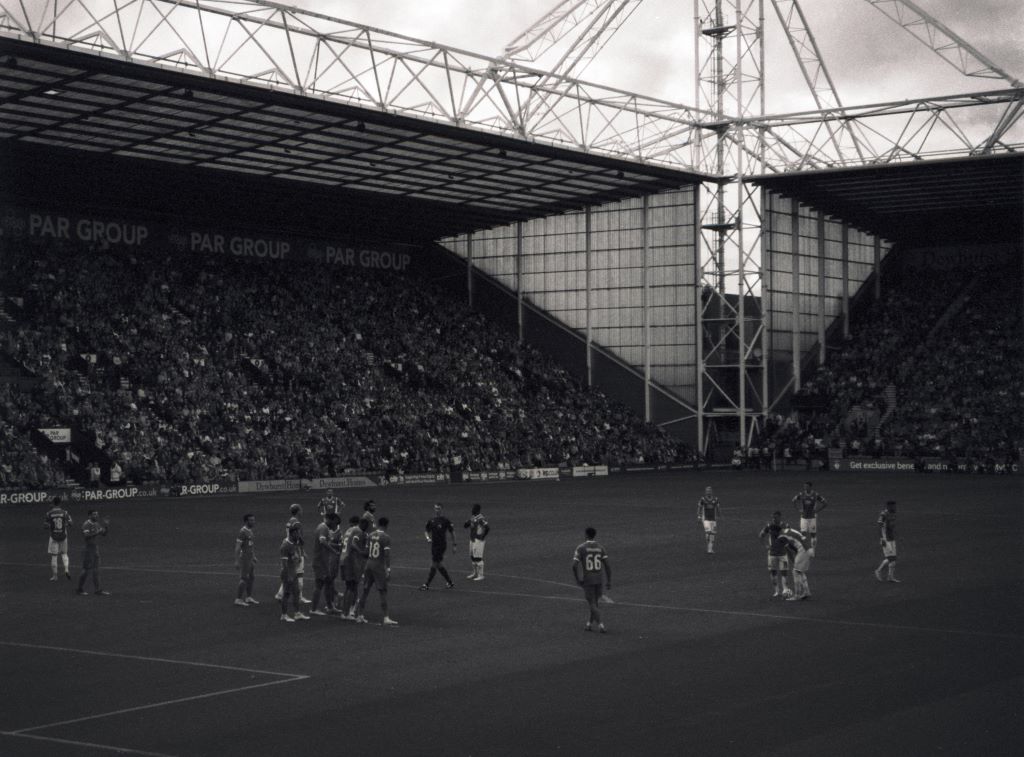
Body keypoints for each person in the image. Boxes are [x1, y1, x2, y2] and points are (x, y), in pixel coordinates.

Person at [355, 517, 397, 626]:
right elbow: (386, 555)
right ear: (387, 525)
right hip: (378, 567)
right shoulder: (386, 537)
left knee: (365, 591)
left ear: (378, 524)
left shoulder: (370, 535)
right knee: (382, 591)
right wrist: (388, 569)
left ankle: (359, 615)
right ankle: (386, 617)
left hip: (369, 565)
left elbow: (366, 552)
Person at [572, 527, 611, 633]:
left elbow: (574, 566)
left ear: (586, 535)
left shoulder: (581, 548)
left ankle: (601, 625)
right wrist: (609, 581)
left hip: (588, 579)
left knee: (592, 603)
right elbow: (607, 566)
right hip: (599, 579)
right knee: (595, 603)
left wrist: (577, 579)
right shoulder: (600, 547)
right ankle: (589, 624)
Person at [276, 504, 311, 604]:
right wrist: (301, 549)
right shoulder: (297, 523)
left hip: (290, 546)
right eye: (301, 509)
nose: (302, 511)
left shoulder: (289, 521)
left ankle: (280, 594)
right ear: (298, 511)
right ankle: (299, 596)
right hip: (295, 548)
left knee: (291, 572)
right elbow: (298, 538)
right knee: (299, 573)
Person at [310, 512, 342, 615]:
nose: (335, 526)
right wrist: (334, 551)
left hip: (324, 561)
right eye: (335, 523)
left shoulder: (323, 527)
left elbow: (326, 542)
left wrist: (336, 546)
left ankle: (330, 607)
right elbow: (322, 542)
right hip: (320, 562)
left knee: (329, 582)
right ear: (331, 520)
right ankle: (313, 609)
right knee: (319, 584)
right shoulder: (323, 528)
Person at [339, 516, 369, 619]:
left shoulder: (349, 530)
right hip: (351, 561)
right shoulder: (359, 531)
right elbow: (353, 544)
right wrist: (361, 552)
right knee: (352, 587)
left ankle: (346, 611)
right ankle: (347, 612)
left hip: (344, 559)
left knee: (349, 587)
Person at [420, 503, 456, 590]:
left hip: (441, 545)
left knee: (434, 564)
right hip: (434, 545)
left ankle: (427, 584)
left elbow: (452, 532)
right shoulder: (431, 520)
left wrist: (454, 544)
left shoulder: (445, 520)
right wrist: (428, 538)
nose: (437, 510)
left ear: (441, 509)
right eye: (436, 508)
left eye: (439, 509)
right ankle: (450, 582)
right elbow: (426, 531)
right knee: (439, 564)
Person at [75, 509, 110, 596]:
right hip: (88, 550)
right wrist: (96, 532)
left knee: (96, 570)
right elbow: (86, 536)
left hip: (95, 550)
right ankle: (79, 589)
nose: (96, 516)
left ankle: (97, 590)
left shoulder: (97, 524)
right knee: (85, 570)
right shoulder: (86, 524)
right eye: (94, 514)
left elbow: (104, 534)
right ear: (89, 515)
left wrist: (106, 526)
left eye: (97, 514)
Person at [279, 522, 309, 622]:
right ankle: (284, 615)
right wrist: (288, 576)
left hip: (293, 572)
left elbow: (301, 544)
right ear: (292, 533)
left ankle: (297, 613)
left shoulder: (295, 542)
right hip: (287, 573)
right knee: (286, 594)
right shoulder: (285, 545)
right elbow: (284, 563)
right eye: (297, 533)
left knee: (296, 593)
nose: (299, 535)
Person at [758, 511, 791, 598]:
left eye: (775, 517)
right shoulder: (769, 526)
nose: (773, 519)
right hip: (772, 553)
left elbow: (790, 537)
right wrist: (766, 545)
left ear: (780, 517)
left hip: (783, 553)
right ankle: (777, 591)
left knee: (784, 572)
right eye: (772, 517)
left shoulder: (785, 526)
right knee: (773, 572)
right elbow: (761, 535)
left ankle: (785, 590)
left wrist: (787, 545)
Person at [792, 481, 828, 553]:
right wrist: (798, 509)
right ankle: (804, 550)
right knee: (803, 534)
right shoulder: (801, 494)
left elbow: (825, 503)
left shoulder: (815, 495)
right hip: (804, 517)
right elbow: (793, 500)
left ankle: (813, 550)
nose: (805, 488)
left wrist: (817, 511)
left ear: (810, 487)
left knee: (813, 535)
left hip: (812, 517)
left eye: (807, 486)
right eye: (804, 486)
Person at [234, 513, 259, 606]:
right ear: (246, 521)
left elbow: (250, 545)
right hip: (244, 558)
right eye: (251, 520)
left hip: (250, 558)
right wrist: (236, 561)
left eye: (253, 520)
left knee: (252, 577)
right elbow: (237, 547)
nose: (253, 521)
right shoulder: (242, 532)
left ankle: (248, 597)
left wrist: (254, 556)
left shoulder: (250, 531)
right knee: (244, 578)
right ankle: (238, 599)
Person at [44, 496, 72, 581]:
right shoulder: (65, 512)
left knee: (54, 556)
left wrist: (51, 526)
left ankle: (55, 576)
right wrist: (64, 525)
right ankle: (66, 570)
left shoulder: (49, 513)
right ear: (60, 503)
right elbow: (71, 523)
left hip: (54, 536)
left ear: (53, 503)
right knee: (64, 553)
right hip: (63, 535)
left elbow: (45, 526)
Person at [780, 527, 812, 600]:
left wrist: (794, 562)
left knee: (795, 571)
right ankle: (807, 592)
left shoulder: (783, 537)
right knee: (800, 571)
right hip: (809, 547)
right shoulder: (790, 531)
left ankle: (797, 595)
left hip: (803, 549)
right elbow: (795, 547)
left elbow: (789, 551)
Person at [875, 500, 900, 583]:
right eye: (893, 506)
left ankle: (890, 577)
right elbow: (879, 527)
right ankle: (878, 570)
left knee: (893, 560)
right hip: (886, 540)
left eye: (895, 506)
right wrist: (882, 539)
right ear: (888, 506)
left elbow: (891, 527)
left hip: (892, 539)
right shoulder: (883, 515)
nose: (895, 508)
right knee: (891, 559)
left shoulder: (893, 513)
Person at [463, 503, 490, 580]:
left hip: (478, 540)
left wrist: (482, 536)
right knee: (472, 556)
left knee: (478, 557)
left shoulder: (481, 518)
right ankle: (474, 573)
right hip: (472, 539)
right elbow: (465, 526)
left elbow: (487, 528)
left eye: (474, 509)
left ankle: (481, 575)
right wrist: (467, 523)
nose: (472, 510)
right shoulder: (473, 517)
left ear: (477, 510)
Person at [696, 486, 720, 554]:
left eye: (709, 491)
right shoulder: (703, 499)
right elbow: (699, 508)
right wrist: (699, 516)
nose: (708, 492)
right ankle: (709, 545)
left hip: (713, 519)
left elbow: (718, 507)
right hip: (706, 519)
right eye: (707, 491)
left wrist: (719, 514)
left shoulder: (715, 499)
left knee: (712, 535)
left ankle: (710, 549)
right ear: (705, 492)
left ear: (712, 492)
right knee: (708, 532)